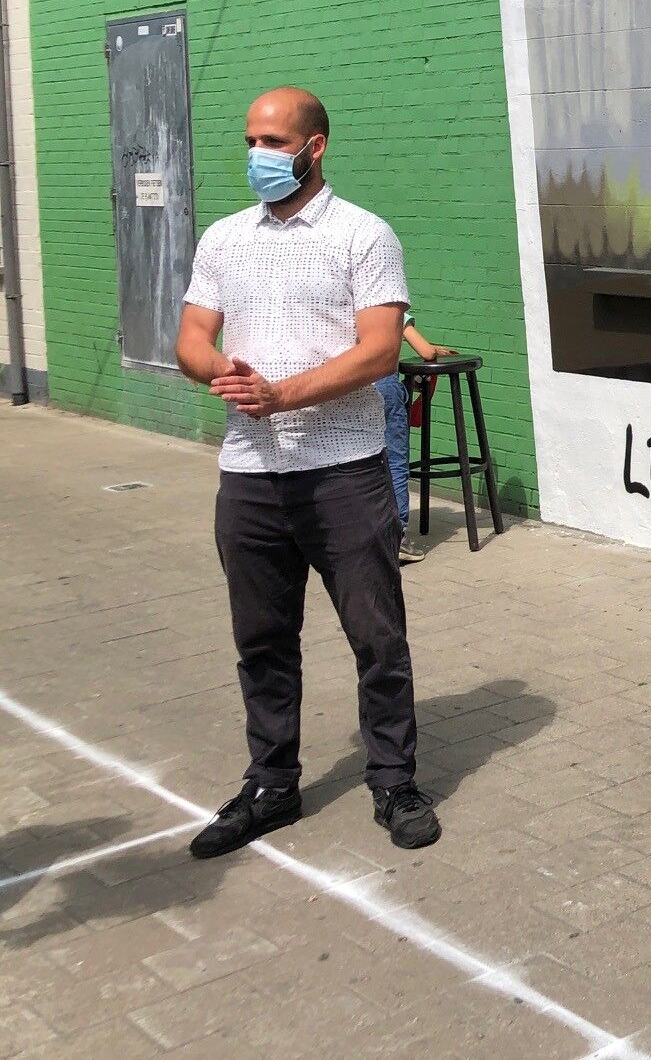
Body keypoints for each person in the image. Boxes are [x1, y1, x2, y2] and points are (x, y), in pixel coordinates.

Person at [175, 88, 440, 858]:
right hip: (250, 478)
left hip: (343, 476)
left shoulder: (363, 235)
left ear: (314, 147)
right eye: (250, 141)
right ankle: (271, 784)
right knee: (261, 640)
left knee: (377, 638)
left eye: (273, 141)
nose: (257, 155)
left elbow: (379, 351)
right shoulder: (224, 238)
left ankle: (393, 780)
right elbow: (191, 336)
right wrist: (221, 371)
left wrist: (281, 395)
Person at [376, 314, 453, 564]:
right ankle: (398, 538)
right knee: (396, 464)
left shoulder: (345, 312)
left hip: (351, 391)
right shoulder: (391, 310)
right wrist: (433, 349)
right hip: (384, 388)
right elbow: (425, 352)